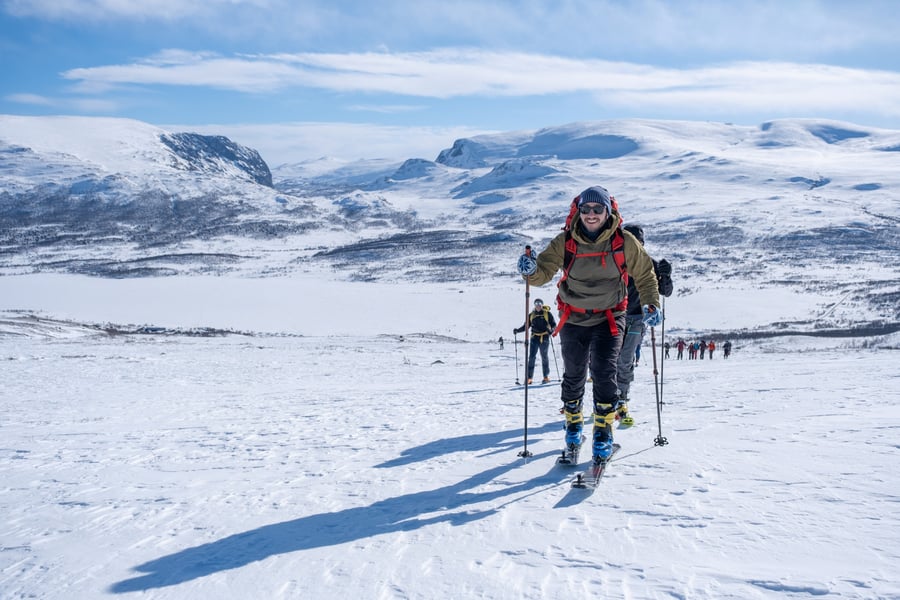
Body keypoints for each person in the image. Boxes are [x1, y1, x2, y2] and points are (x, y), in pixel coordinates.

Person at [517, 186, 661, 465]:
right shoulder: (565, 241)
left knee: (605, 372)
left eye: (597, 209)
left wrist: (651, 304)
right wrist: (530, 271)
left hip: (610, 316)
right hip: (573, 317)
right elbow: (543, 273)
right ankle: (573, 428)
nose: (591, 214)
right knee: (574, 374)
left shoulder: (624, 241)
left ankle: (603, 432)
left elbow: (645, 275)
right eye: (586, 209)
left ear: (608, 211)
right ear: (578, 211)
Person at [614, 224, 673, 427]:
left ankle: (621, 399)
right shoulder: (615, 261)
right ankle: (606, 400)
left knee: (625, 359)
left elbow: (665, 291)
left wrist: (666, 276)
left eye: (638, 242)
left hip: (637, 318)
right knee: (609, 359)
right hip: (614, 316)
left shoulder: (650, 264)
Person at [513, 298, 557, 384]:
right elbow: (526, 327)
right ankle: (529, 378)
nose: (538, 305)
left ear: (542, 305)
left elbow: (554, 325)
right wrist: (517, 330)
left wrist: (551, 331)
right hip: (534, 337)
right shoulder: (531, 315)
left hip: (544, 337)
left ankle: (546, 377)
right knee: (532, 357)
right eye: (536, 303)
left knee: (544, 357)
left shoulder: (547, 314)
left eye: (540, 303)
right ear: (534, 305)